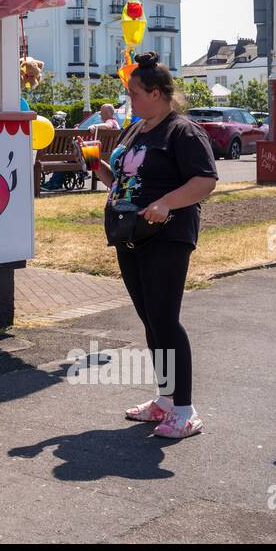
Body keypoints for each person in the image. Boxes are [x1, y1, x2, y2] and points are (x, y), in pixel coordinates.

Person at [91, 53, 218, 438]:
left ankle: (185, 409)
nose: (130, 100)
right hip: (131, 234)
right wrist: (100, 171)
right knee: (150, 320)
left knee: (164, 318)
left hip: (168, 236)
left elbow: (205, 180)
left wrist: (165, 203)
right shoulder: (138, 130)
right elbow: (126, 182)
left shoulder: (182, 131)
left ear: (159, 93)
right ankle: (165, 400)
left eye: (135, 93)